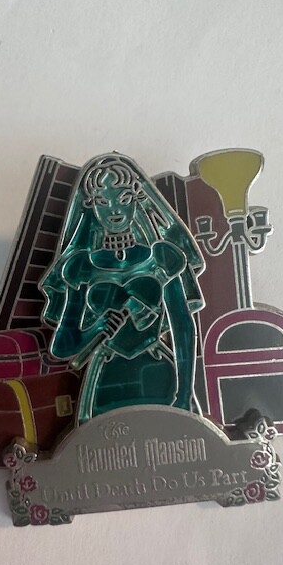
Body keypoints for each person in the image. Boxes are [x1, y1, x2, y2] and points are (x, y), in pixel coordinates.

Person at [39, 153, 205, 423]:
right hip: (107, 380)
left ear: (137, 200)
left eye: (123, 199)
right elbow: (61, 346)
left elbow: (183, 327)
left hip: (159, 374)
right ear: (91, 207)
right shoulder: (81, 266)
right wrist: (96, 327)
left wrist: (185, 393)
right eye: (104, 202)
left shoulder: (162, 258)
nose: (114, 210)